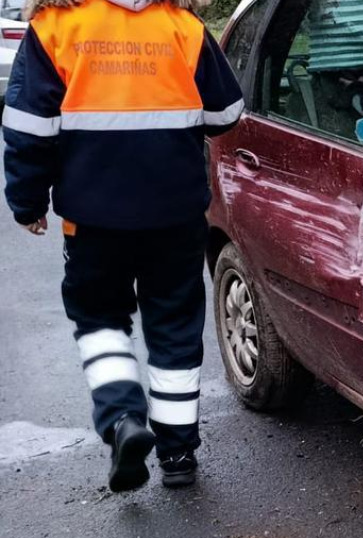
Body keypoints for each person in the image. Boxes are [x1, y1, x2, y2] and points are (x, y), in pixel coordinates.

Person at [3, 0, 244, 491]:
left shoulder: (55, 28)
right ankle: (177, 454)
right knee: (175, 325)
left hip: (93, 221)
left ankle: (122, 420)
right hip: (174, 214)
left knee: (100, 319)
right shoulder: (183, 26)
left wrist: (28, 204)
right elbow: (227, 113)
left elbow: (29, 128)